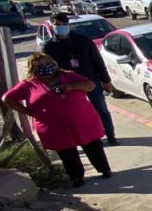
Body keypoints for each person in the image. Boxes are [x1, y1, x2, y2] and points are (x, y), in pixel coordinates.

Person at [1, 52, 112, 187]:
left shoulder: (68, 75)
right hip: (53, 127)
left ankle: (104, 169)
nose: (46, 66)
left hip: (82, 121)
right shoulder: (28, 85)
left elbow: (90, 85)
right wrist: (27, 112)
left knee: (92, 146)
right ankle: (76, 177)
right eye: (41, 65)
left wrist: (70, 87)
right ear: (33, 68)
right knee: (67, 152)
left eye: (48, 63)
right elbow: (7, 98)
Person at [43, 12, 118, 145]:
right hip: (67, 84)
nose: (61, 27)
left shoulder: (83, 40)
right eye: (57, 25)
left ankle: (110, 135)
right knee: (79, 114)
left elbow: (98, 62)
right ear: (52, 26)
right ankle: (95, 138)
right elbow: (48, 69)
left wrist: (106, 81)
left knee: (101, 110)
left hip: (90, 80)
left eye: (64, 24)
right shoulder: (49, 46)